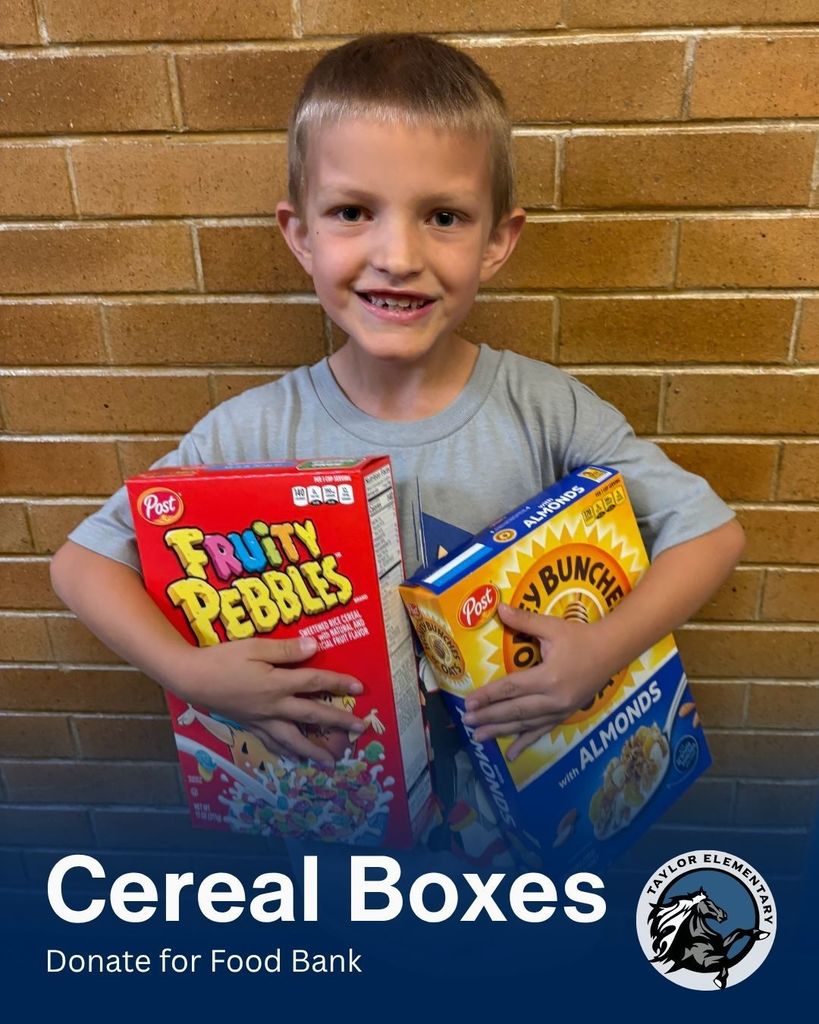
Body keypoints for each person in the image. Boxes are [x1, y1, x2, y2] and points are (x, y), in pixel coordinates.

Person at [51, 33, 744, 860]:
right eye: (352, 212)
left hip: (529, 821)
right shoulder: (250, 433)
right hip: (346, 826)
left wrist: (602, 647)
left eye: (442, 217)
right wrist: (192, 675)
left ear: (497, 238)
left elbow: (710, 533)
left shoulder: (545, 407)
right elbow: (81, 564)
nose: (397, 256)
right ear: (300, 234)